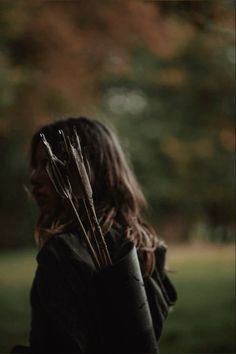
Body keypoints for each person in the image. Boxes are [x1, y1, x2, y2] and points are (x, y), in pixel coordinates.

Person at [11, 117, 177, 354]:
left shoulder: (63, 253)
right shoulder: (143, 243)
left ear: (87, 171)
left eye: (49, 164)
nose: (34, 177)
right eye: (35, 165)